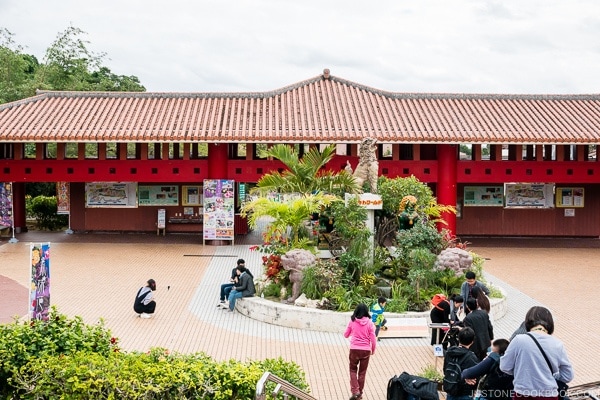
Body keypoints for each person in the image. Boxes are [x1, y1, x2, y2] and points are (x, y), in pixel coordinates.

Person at [500, 306, 574, 399]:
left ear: (527, 322)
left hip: (522, 394)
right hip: (549, 395)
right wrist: (551, 376)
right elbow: (568, 375)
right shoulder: (557, 344)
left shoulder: (519, 340)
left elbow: (505, 366)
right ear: (550, 323)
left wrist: (522, 372)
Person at [344, 303, 377, 400]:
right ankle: (359, 394)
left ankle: (355, 391)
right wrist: (373, 349)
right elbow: (373, 339)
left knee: (352, 370)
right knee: (362, 373)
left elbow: (346, 334)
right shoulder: (370, 323)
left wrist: (352, 332)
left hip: (354, 349)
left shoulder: (352, 321)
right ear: (366, 311)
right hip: (366, 351)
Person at [443, 326, 480, 400]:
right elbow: (476, 377)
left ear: (458, 338)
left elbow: (445, 369)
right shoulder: (471, 357)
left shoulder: (449, 352)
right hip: (464, 393)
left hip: (450, 388)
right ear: (472, 341)